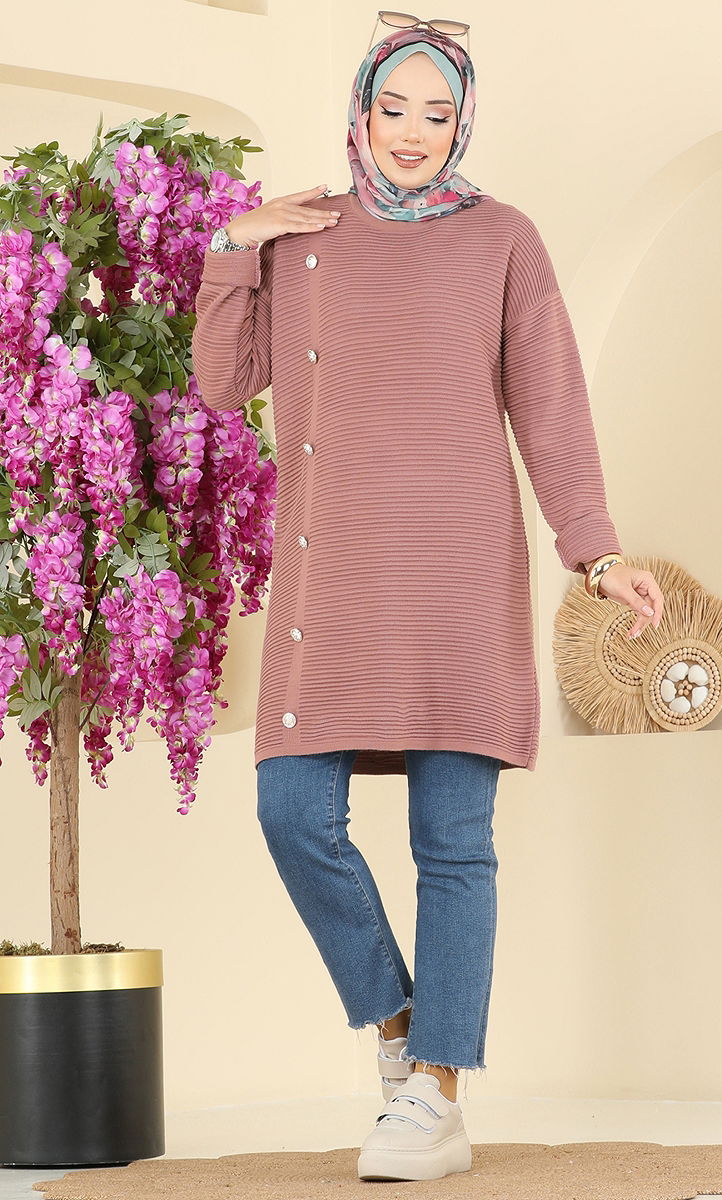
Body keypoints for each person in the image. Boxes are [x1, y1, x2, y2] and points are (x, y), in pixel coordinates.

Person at [191, 14, 664, 1184]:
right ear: (359, 110)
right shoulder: (302, 239)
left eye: (436, 112)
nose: (411, 132)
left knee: (452, 844)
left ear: (462, 123)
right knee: (292, 813)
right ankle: (404, 1034)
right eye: (392, 107)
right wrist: (235, 245)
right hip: (331, 578)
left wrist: (594, 552)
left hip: (457, 577)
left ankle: (437, 1097)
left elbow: (548, 405)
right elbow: (222, 383)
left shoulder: (502, 239)